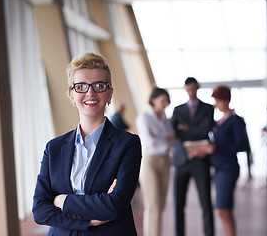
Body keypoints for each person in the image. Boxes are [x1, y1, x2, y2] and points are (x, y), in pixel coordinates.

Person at [32, 52, 142, 236]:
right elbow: (39, 209)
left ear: (109, 93)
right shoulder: (54, 148)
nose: (90, 92)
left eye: (99, 86)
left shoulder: (127, 144)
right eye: (81, 86)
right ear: (71, 95)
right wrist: (89, 220)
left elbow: (114, 206)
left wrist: (63, 201)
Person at [171, 77, 214, 236]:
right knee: (178, 204)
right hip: (182, 161)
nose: (191, 92)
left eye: (194, 89)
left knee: (206, 202)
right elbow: (175, 133)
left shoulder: (208, 108)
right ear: (185, 89)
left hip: (200, 160)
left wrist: (186, 128)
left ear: (198, 88)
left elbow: (205, 130)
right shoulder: (177, 110)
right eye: (188, 89)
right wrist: (196, 128)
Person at [201, 85, 246, 236]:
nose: (216, 104)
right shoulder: (219, 121)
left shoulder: (236, 120)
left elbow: (241, 145)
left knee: (222, 210)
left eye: (218, 101)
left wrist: (217, 148)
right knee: (224, 209)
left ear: (226, 100)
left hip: (228, 168)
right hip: (218, 167)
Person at [136, 87, 175, 236]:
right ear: (153, 100)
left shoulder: (165, 118)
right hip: (150, 163)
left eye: (167, 101)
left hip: (165, 161)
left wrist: (160, 139)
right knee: (153, 206)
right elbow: (149, 142)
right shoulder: (144, 118)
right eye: (163, 100)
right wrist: (166, 139)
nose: (166, 103)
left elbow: (174, 140)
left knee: (161, 205)